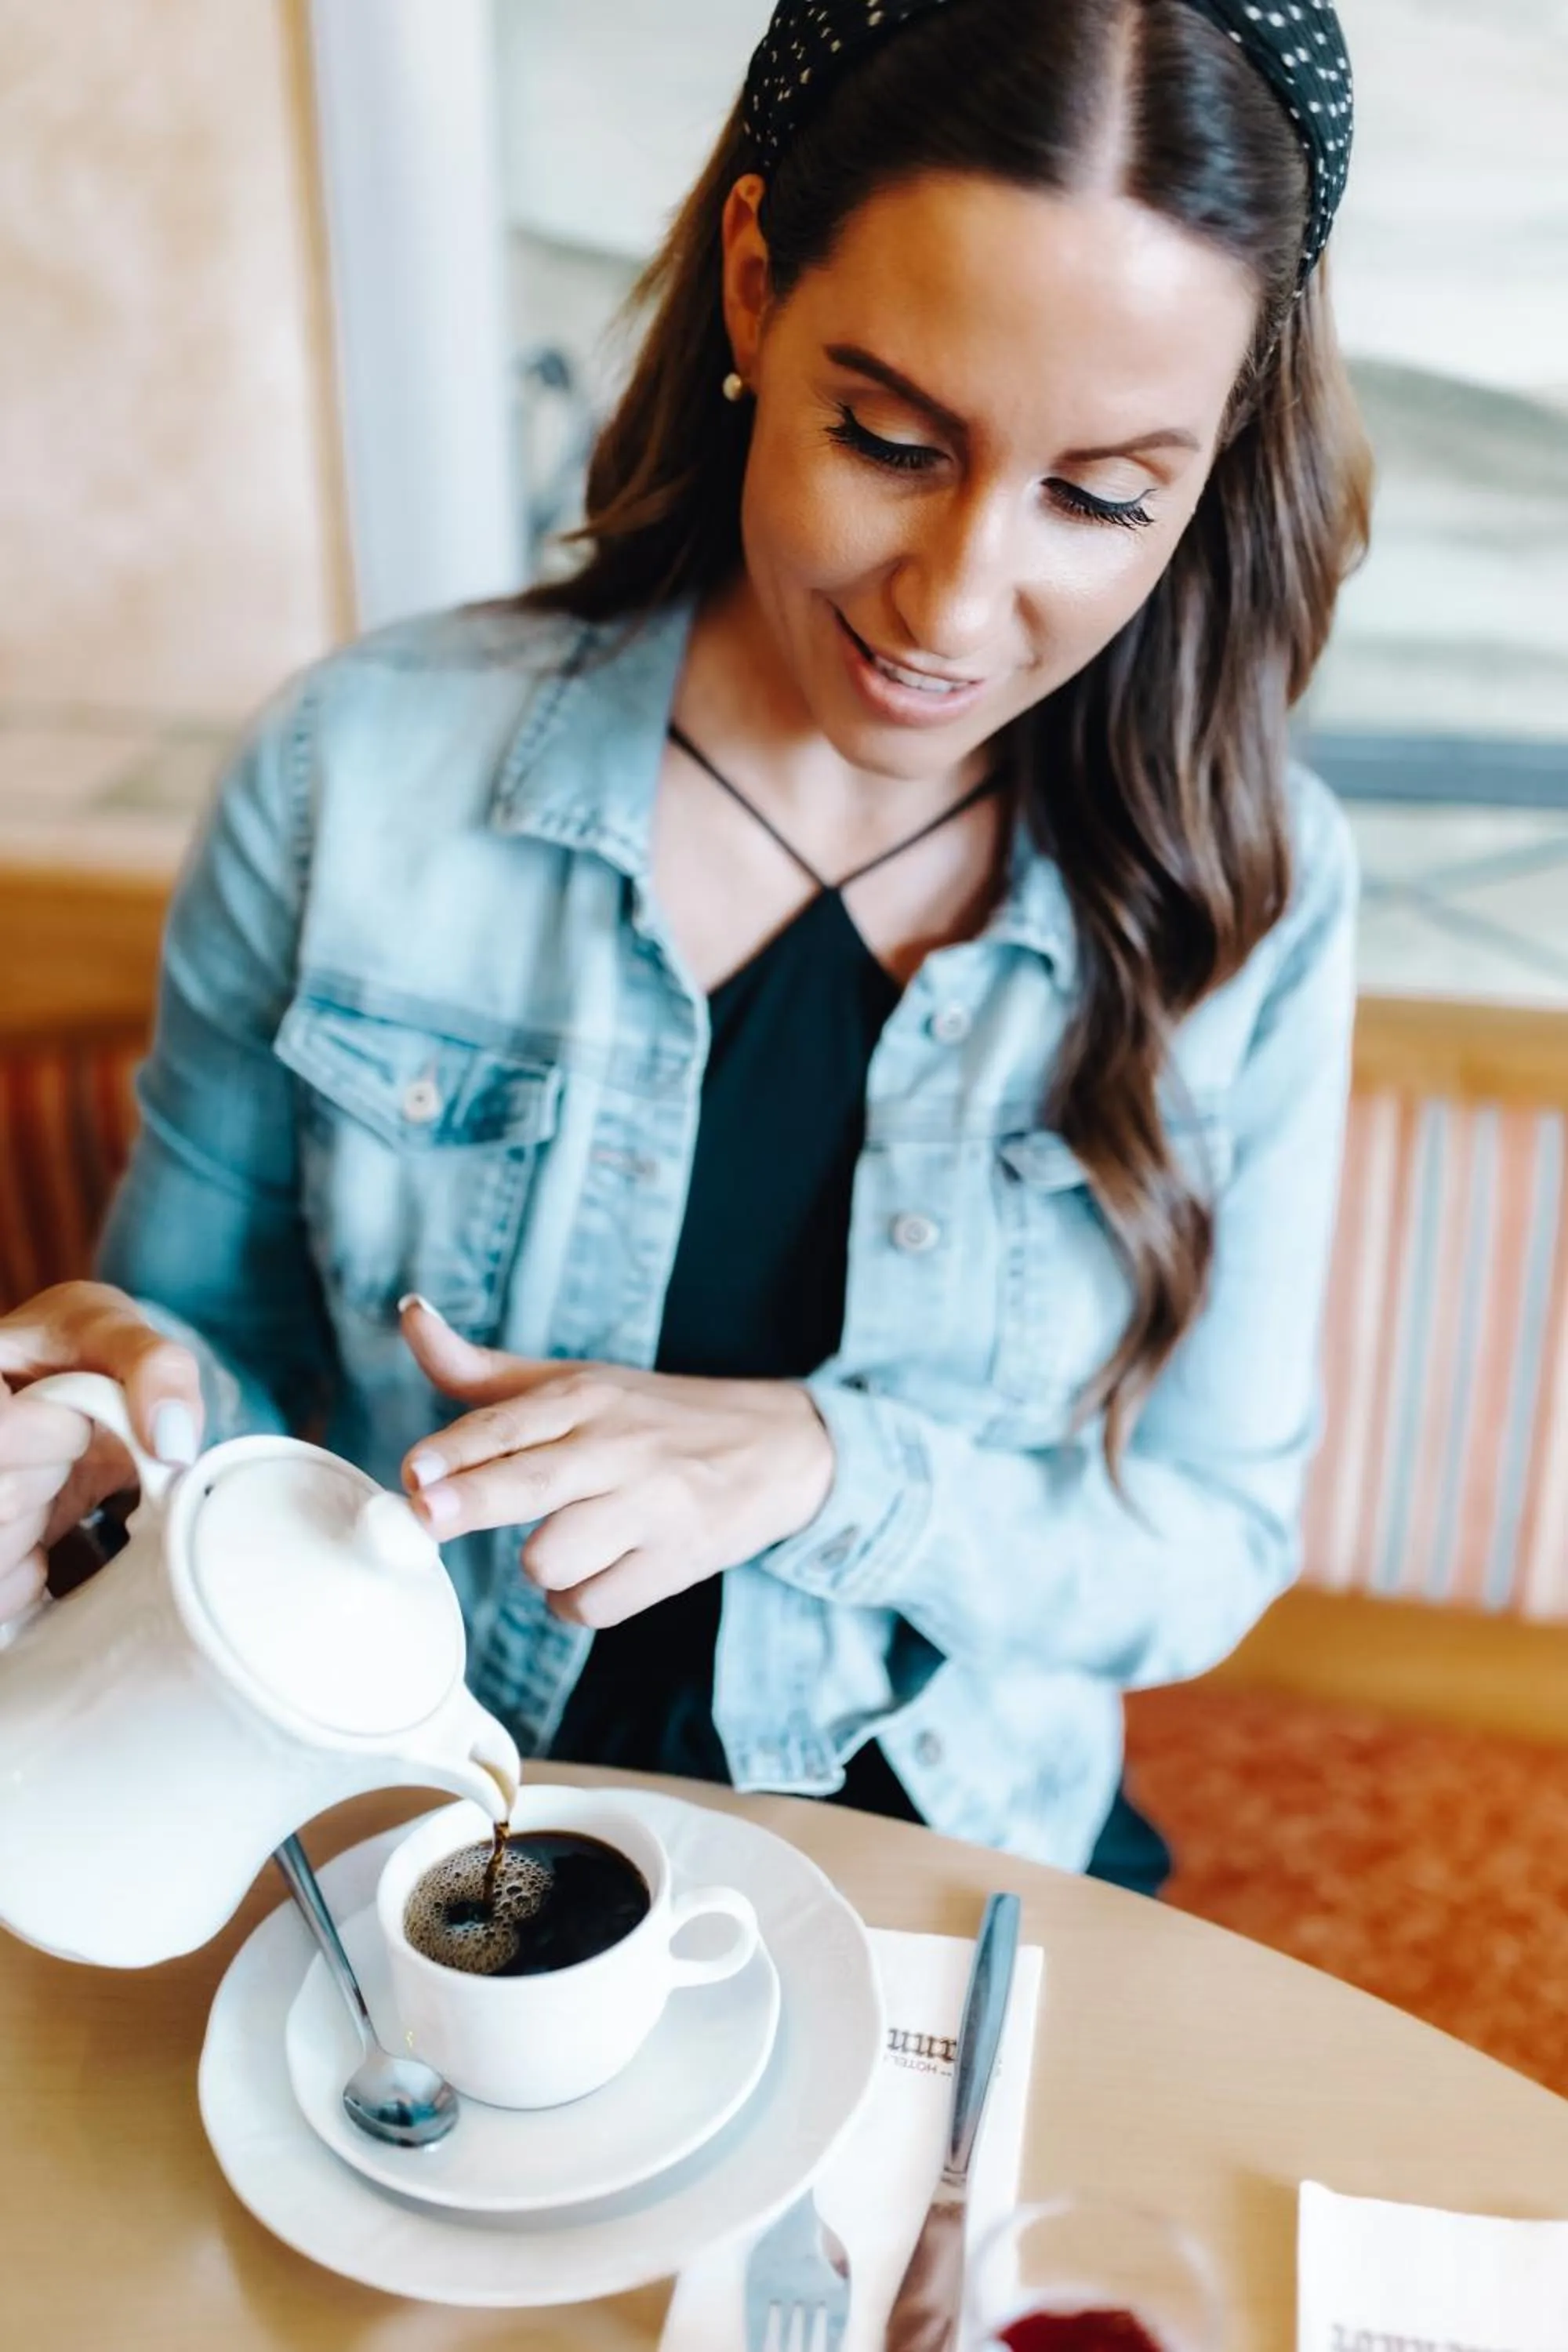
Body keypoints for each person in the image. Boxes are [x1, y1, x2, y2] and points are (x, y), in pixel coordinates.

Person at [0, 0, 1369, 1891]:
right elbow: (211, 1363)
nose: (956, 605)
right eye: (889, 438)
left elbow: (1200, 1537)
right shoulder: (357, 775)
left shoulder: (1258, 886)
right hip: (421, 1820)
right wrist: (113, 1412)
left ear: (1216, 451)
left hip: (960, 1860)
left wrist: (819, 1465)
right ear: (750, 289)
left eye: (1100, 495)